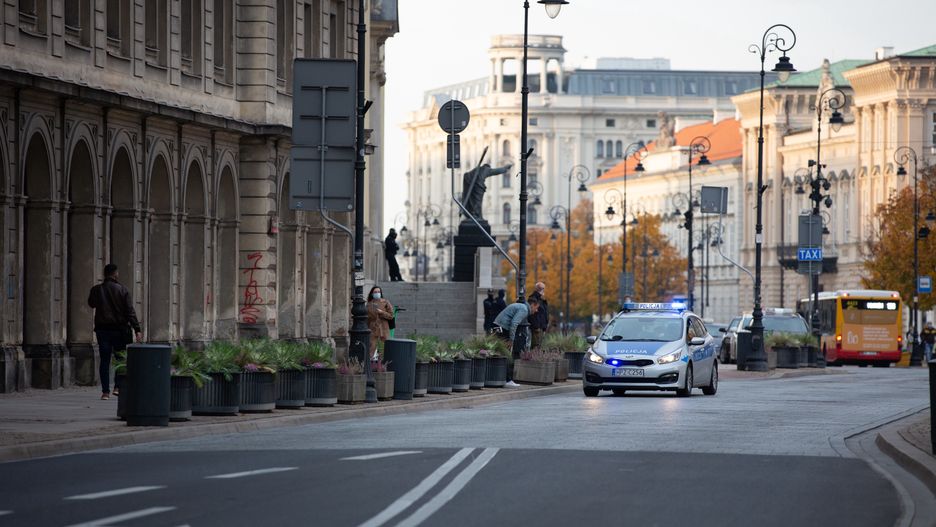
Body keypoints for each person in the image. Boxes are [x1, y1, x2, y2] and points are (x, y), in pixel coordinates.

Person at [87, 264, 141, 400]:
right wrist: (137, 329)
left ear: (104, 274)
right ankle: (117, 387)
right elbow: (130, 311)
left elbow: (91, 303)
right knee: (120, 360)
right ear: (116, 274)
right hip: (119, 330)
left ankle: (105, 392)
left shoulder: (96, 289)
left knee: (104, 360)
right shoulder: (123, 290)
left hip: (102, 330)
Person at [493, 298, 541, 387]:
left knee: (501, 353)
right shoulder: (524, 309)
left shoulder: (522, 306)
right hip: (503, 328)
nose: (536, 310)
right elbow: (514, 323)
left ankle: (501, 379)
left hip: (499, 326)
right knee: (507, 354)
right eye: (536, 307)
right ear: (532, 305)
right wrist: (511, 339)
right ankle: (508, 380)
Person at [366, 286, 395, 359]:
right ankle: (370, 363)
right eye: (375, 292)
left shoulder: (385, 302)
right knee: (371, 348)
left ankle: (384, 363)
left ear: (381, 293)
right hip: (373, 328)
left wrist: (382, 312)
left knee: (384, 348)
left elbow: (391, 316)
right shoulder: (368, 304)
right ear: (372, 294)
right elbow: (367, 318)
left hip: (384, 328)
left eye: (378, 292)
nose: (377, 293)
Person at [527, 282, 549, 348]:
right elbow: (532, 314)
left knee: (538, 346)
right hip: (537, 327)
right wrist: (536, 326)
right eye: (543, 289)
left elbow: (543, 313)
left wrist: (544, 327)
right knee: (535, 345)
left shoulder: (540, 299)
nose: (544, 290)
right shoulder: (533, 299)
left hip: (541, 326)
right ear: (541, 289)